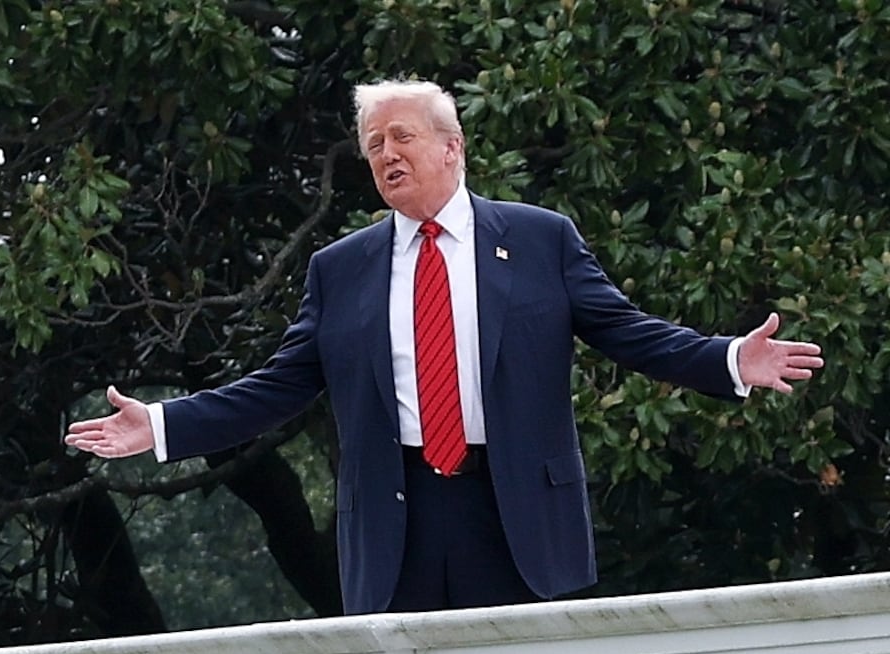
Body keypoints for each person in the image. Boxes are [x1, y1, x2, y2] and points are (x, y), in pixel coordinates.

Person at [65, 79, 824, 615]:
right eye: (372, 146)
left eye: (402, 136)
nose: (386, 154)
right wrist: (163, 425)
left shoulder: (537, 239)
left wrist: (729, 359)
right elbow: (279, 386)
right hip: (400, 518)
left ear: (452, 146)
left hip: (516, 507)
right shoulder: (342, 269)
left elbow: (628, 333)